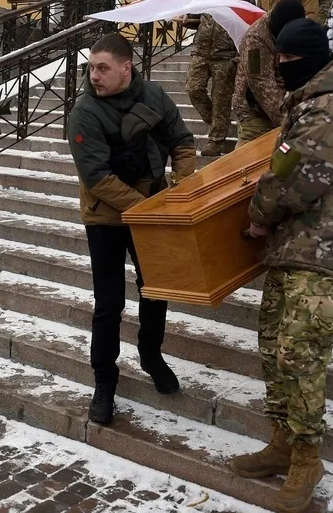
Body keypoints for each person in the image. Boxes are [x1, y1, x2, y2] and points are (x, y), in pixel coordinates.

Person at [229, 18, 333, 513]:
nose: (280, 71)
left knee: (299, 356)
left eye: (286, 63)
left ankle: (307, 457)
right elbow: (285, 169)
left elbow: (296, 180)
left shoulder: (332, 110)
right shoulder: (309, 103)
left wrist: (258, 214)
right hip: (296, 249)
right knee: (274, 348)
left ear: (308, 61)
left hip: (325, 255)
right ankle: (282, 442)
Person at [68, 32, 197, 425]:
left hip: (152, 211)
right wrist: (148, 210)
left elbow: (183, 142)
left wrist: (182, 185)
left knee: (155, 290)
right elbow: (97, 176)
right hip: (106, 217)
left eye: (103, 68)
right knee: (109, 304)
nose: (94, 75)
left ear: (127, 67)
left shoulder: (154, 96)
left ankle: (151, 354)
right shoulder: (84, 111)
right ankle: (104, 379)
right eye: (91, 67)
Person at [183, 0, 255, 157]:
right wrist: (187, 20)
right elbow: (198, 18)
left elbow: (248, 25)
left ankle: (216, 141)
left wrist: (240, 55)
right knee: (193, 88)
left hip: (226, 55)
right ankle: (217, 122)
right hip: (201, 51)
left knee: (221, 99)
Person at [232, 0, 307, 145]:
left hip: (281, 105)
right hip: (254, 111)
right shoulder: (254, 40)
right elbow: (261, 83)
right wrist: (289, 122)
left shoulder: (295, 26)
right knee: (249, 163)